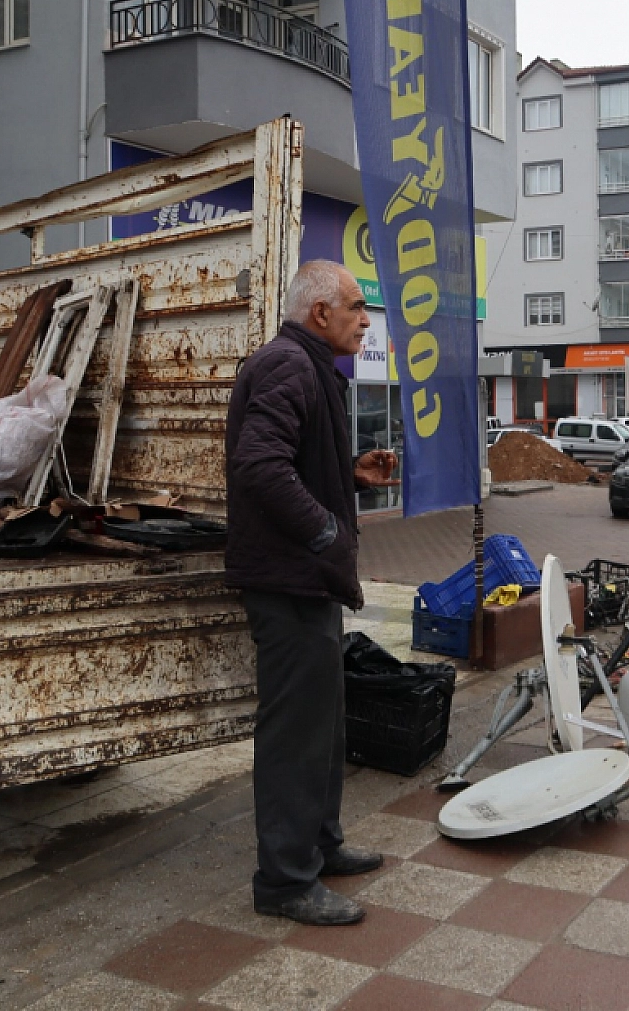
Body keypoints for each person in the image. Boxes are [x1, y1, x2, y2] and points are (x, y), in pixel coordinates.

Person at [225, 261, 400, 927]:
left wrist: (346, 478)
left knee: (322, 726)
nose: (365, 319)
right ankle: (284, 880)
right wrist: (324, 527)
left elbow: (288, 464)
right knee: (295, 733)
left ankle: (319, 845)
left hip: (309, 579)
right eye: (356, 307)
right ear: (319, 313)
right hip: (289, 580)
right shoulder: (286, 366)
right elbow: (258, 465)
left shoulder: (308, 366)